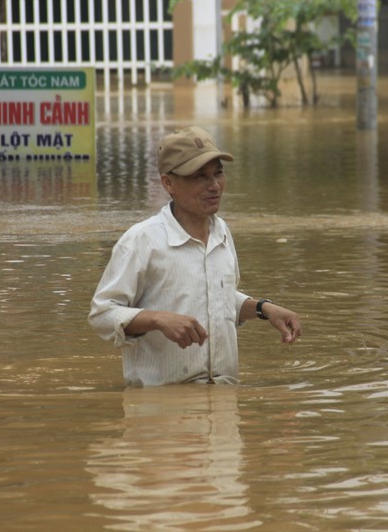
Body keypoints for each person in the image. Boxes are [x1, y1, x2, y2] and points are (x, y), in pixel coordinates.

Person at [88, 126, 301, 386]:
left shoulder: (222, 233)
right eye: (199, 176)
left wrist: (262, 309)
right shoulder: (142, 241)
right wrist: (157, 319)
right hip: (162, 408)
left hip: (223, 397)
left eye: (218, 173)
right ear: (168, 183)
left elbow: (218, 299)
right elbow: (102, 314)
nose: (214, 186)